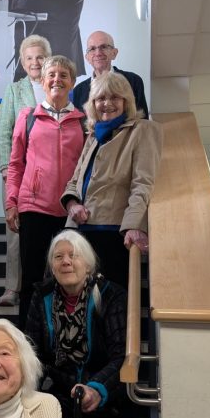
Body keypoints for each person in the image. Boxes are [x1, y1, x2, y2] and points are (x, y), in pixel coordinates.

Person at [25, 230, 131, 418]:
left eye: (73, 255)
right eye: (58, 257)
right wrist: (26, 395)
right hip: (61, 398)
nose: (66, 261)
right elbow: (32, 356)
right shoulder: (41, 296)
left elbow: (121, 356)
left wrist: (95, 389)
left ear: (88, 265)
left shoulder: (111, 295)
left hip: (106, 403)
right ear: (52, 267)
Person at [5, 56, 85, 328]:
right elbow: (16, 164)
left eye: (63, 75)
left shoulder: (83, 122)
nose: (56, 79)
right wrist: (11, 202)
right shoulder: (28, 117)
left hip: (69, 212)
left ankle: (61, 339)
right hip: (34, 208)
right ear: (42, 80)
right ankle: (27, 340)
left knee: (69, 280)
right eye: (51, 74)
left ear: (72, 82)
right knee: (31, 281)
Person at [62, 72, 162, 288]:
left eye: (115, 97)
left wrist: (134, 225)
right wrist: (72, 204)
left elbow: (143, 184)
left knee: (113, 302)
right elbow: (75, 180)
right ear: (93, 104)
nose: (107, 103)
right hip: (80, 233)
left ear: (127, 101)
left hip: (114, 234)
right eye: (100, 98)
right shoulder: (92, 136)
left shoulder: (143, 129)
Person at [0, 35, 52, 307]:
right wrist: (6, 169)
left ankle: (46, 286)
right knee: (15, 233)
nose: (35, 62)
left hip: (49, 174)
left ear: (48, 58)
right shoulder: (14, 90)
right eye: (29, 58)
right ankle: (12, 288)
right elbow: (4, 132)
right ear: (22, 61)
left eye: (40, 57)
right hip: (19, 172)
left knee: (45, 233)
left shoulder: (56, 85)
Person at [72, 30, 148, 119]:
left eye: (103, 47)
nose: (98, 53)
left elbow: (142, 121)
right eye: (92, 49)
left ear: (114, 53)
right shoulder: (78, 91)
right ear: (87, 57)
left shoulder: (133, 81)